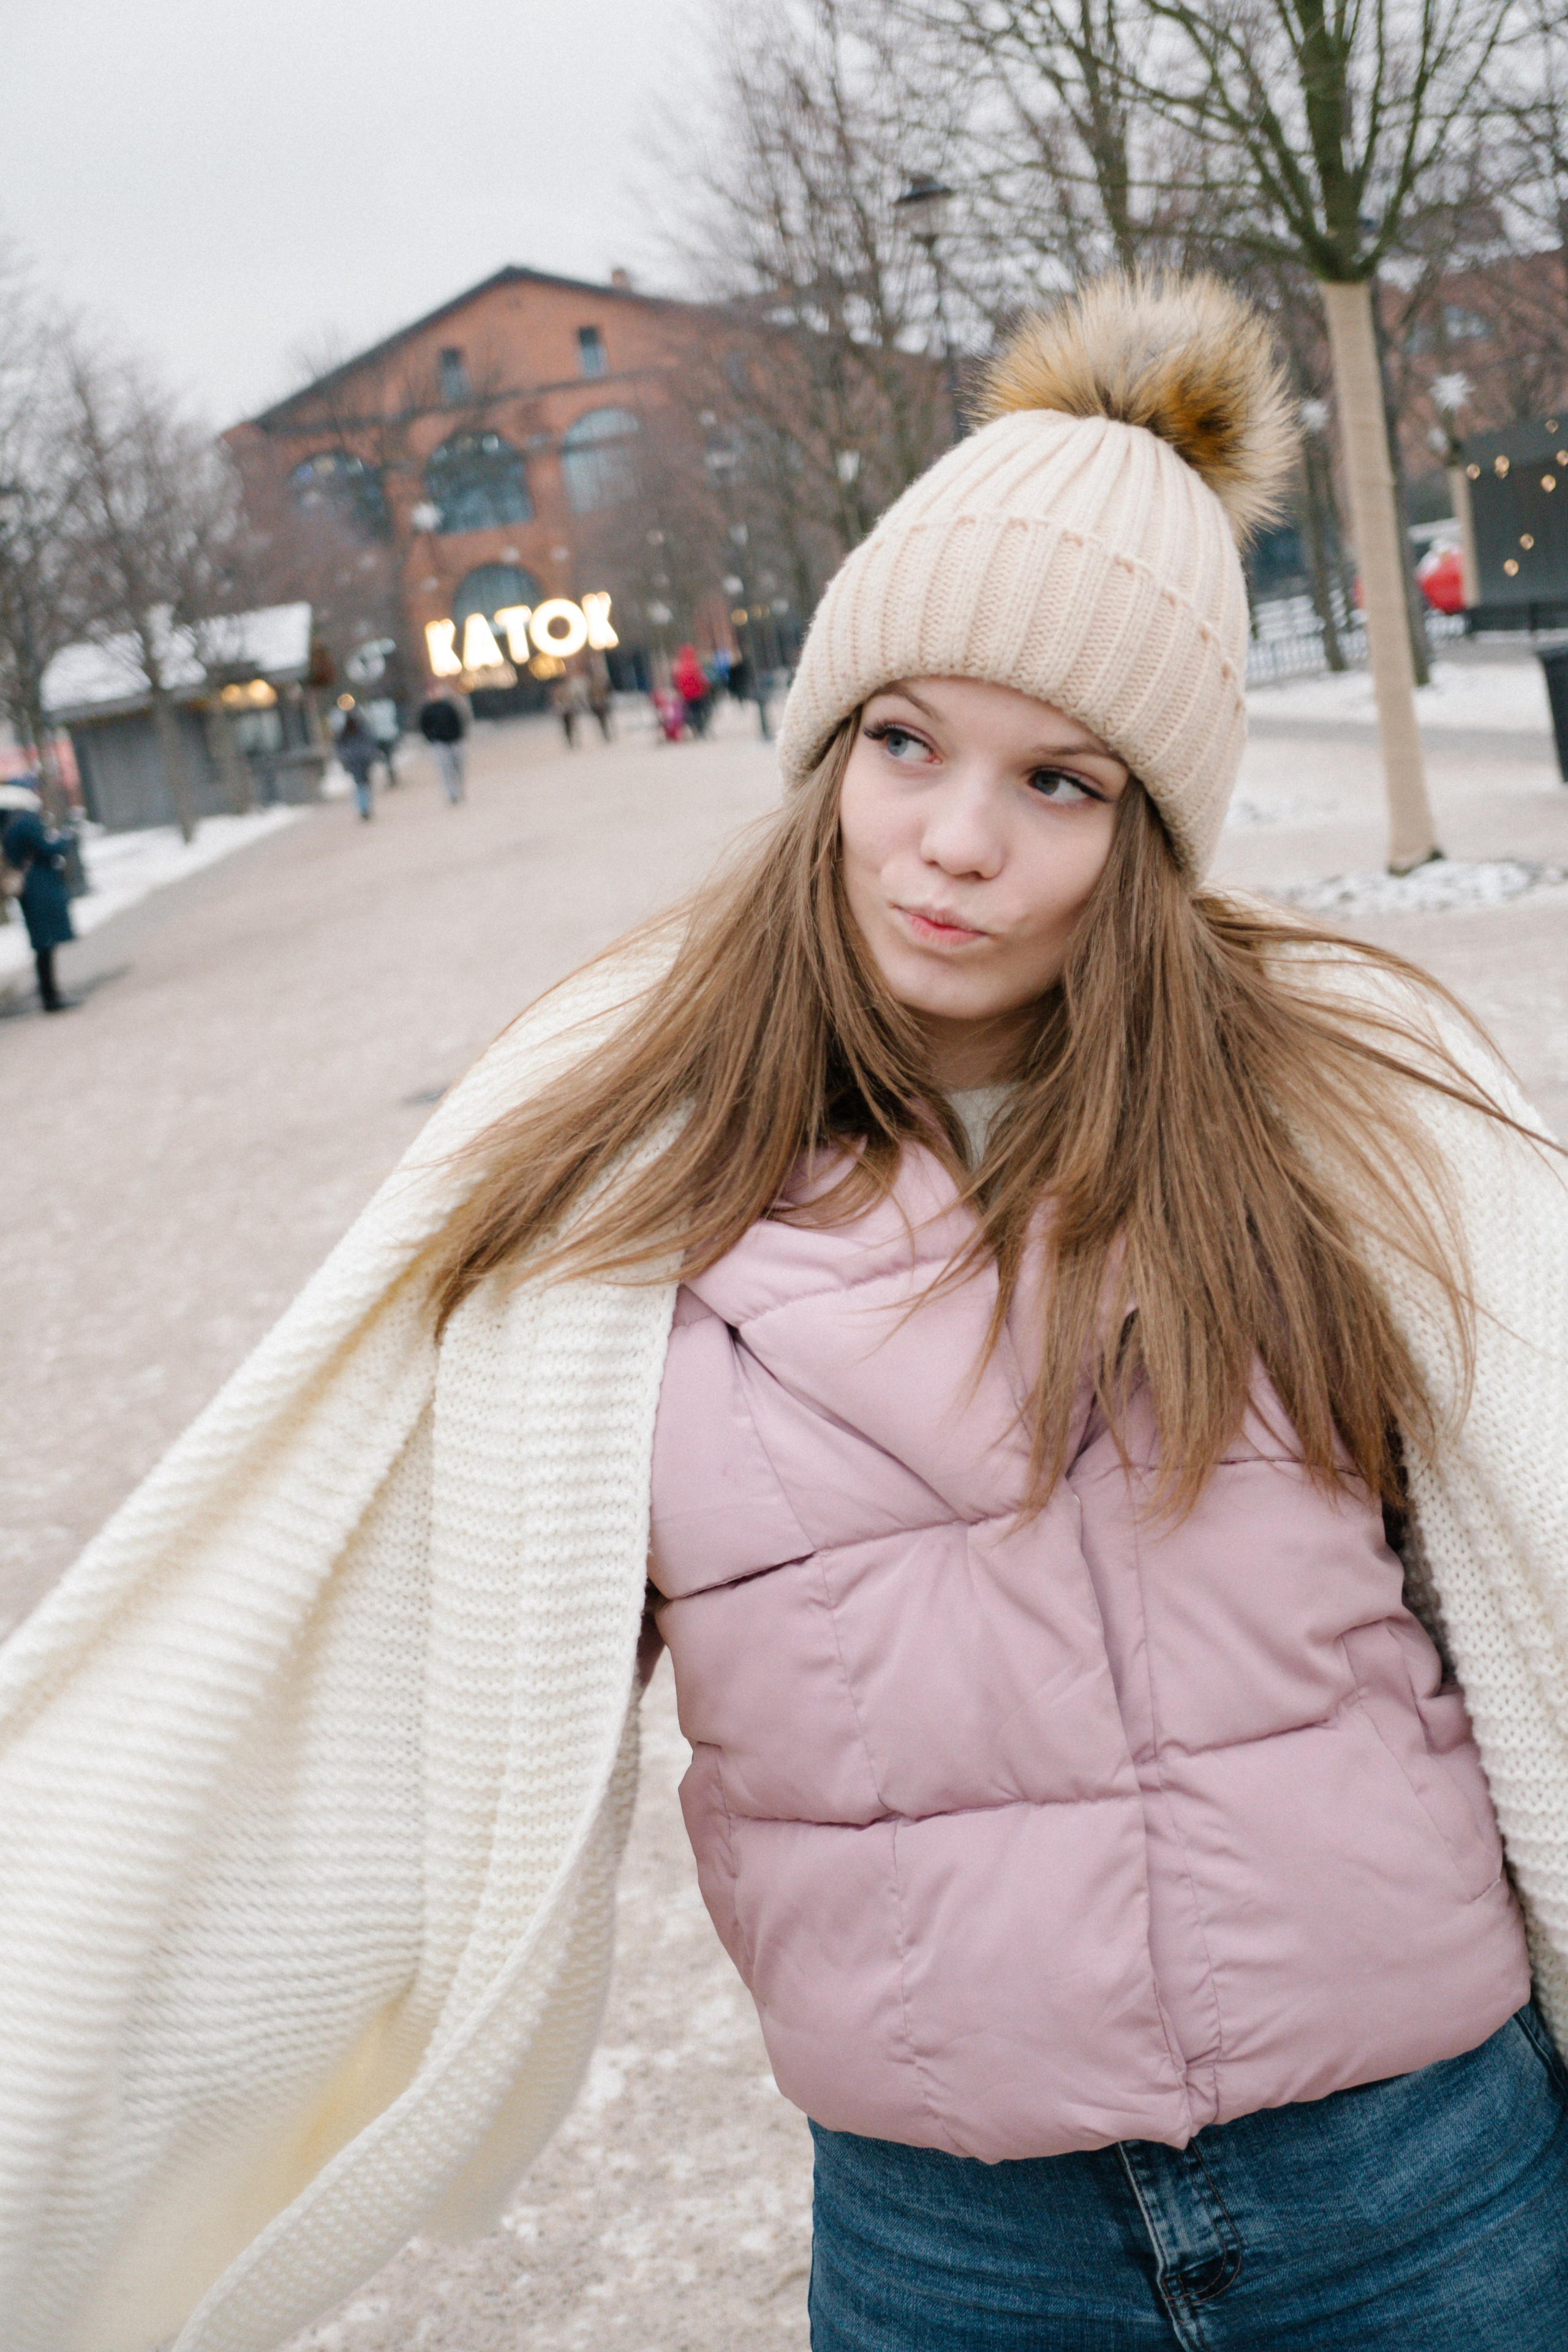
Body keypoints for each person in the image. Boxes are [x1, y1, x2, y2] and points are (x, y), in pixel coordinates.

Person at [4, 277, 1568, 2352]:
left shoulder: (1335, 1124)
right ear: (830, 743)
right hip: (958, 2250)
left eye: (1062, 784)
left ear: (1154, 832)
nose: (954, 843)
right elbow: (335, 1699)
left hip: (1421, 2189)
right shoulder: (614, 1179)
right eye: (907, 743)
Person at [1, 788, 77, 1012]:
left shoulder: (7, 826)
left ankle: (48, 990)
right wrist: (66, 838)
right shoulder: (25, 822)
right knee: (46, 941)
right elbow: (47, 847)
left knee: (41, 941)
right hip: (40, 887)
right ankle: (50, 994)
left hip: (28, 889)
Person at [418, 688, 467, 804]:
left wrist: (459, 735)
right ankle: (452, 793)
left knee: (458, 766)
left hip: (454, 740)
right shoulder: (427, 710)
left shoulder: (448, 706)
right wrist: (431, 738)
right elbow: (424, 726)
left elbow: (458, 721)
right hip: (439, 743)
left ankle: (459, 788)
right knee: (445, 769)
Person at [334, 711, 379, 821]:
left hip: (356, 762)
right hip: (361, 762)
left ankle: (363, 807)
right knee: (363, 786)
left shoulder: (347, 733)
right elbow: (369, 745)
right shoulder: (360, 732)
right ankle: (364, 807)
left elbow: (340, 748)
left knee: (360, 786)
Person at [673, 641, 712, 736]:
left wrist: (680, 691)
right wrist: (707, 687)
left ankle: (695, 727)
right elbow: (703, 679)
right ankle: (701, 728)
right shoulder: (696, 665)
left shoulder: (679, 667)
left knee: (691, 712)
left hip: (687, 695)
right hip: (699, 693)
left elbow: (677, 682)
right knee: (702, 711)